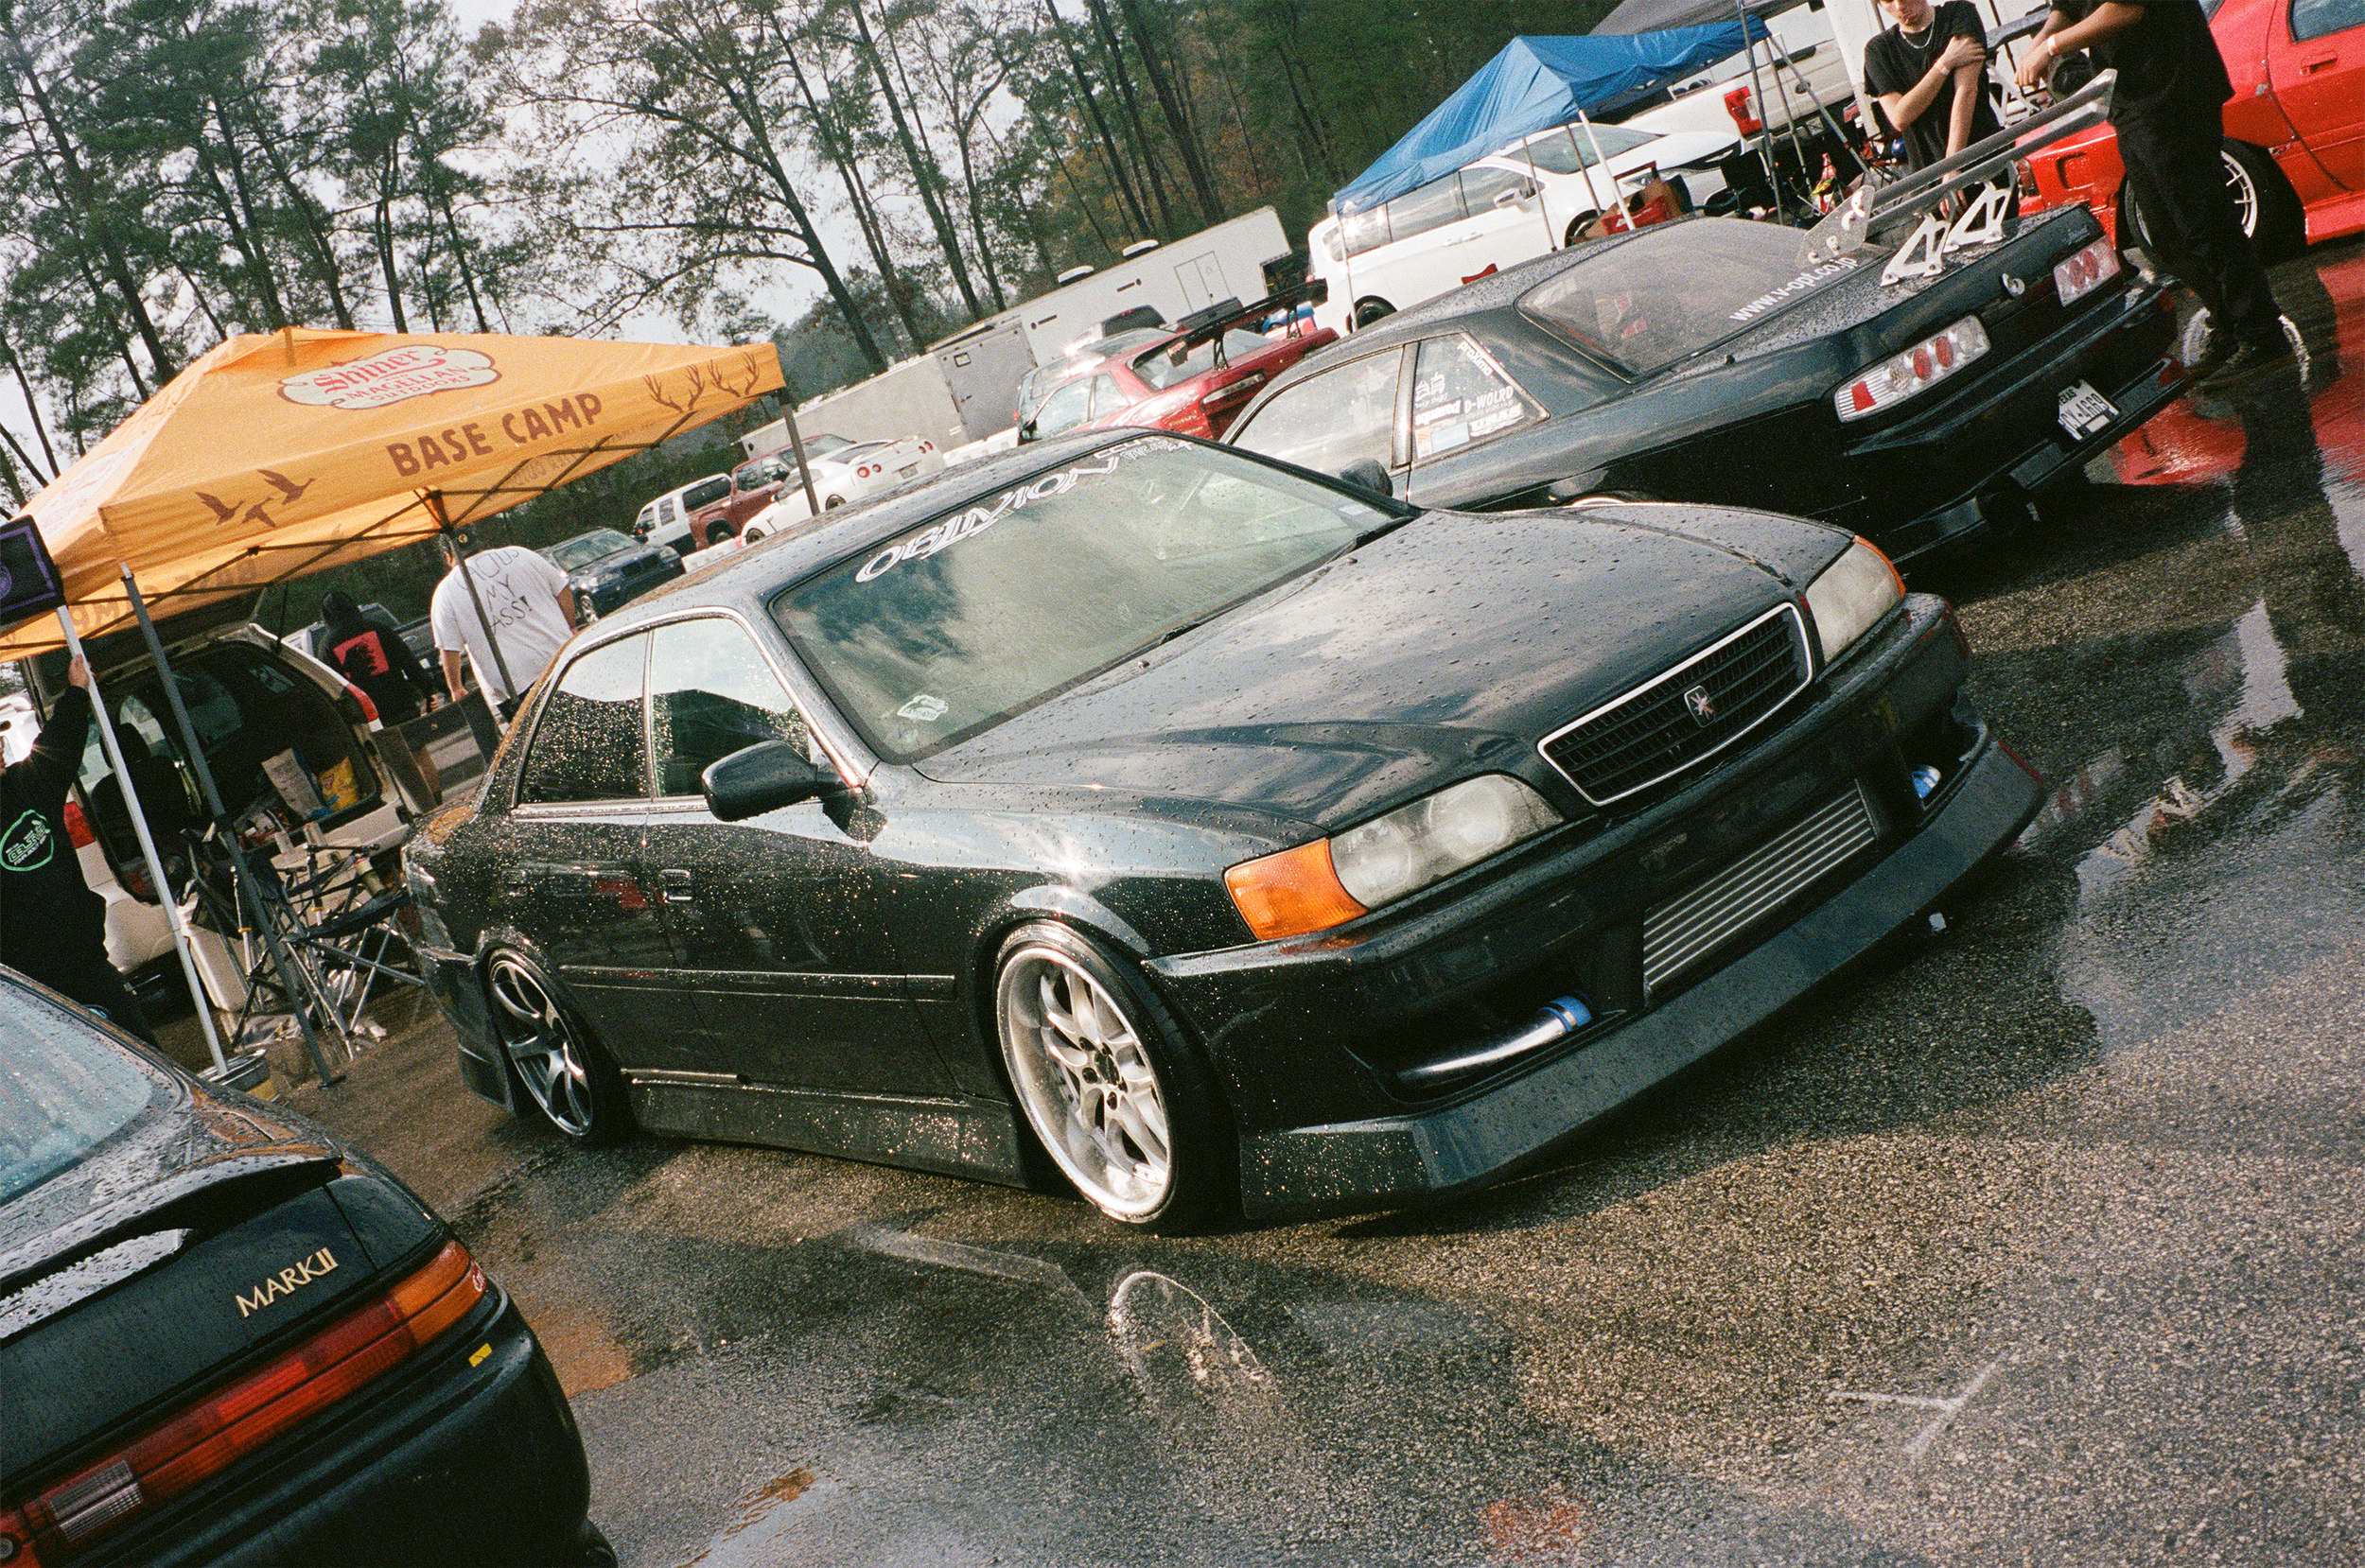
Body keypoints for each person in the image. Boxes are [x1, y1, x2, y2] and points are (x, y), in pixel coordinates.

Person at [2017, 0, 2289, 388]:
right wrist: (2040, 41)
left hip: (2174, 90)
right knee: (2163, 236)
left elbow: (2126, 9)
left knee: (2204, 222)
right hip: (2132, 101)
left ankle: (2261, 333)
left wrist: (2052, 46)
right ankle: (2228, 321)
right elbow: (2067, 6)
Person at [1, 657, 155, 1043]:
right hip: (31, 993)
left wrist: (77, 689)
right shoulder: (26, 784)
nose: (0, 748)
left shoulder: (27, 784)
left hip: (88, 963)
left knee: (144, 1058)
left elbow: (63, 740)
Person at [428, 534, 577, 722]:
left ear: (447, 555)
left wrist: (456, 687)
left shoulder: (445, 592)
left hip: (515, 685)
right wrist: (570, 626)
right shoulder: (520, 554)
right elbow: (562, 589)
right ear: (477, 542)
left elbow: (449, 648)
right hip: (564, 660)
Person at [321, 590, 443, 794]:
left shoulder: (327, 644)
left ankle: (420, 805)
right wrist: (428, 691)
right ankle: (436, 799)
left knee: (391, 767)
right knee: (420, 756)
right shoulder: (378, 628)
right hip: (401, 703)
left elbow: (331, 686)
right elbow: (409, 662)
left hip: (368, 716)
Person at [1864, 0, 2002, 173]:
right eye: (1887, 1)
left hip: (1984, 160)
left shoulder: (1958, 13)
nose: (1899, 6)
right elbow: (1900, 117)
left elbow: (1966, 91)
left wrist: (1952, 166)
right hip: (1929, 175)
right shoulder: (1879, 50)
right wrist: (1945, 63)